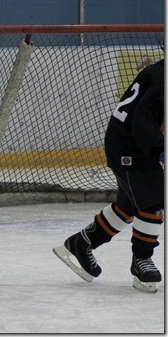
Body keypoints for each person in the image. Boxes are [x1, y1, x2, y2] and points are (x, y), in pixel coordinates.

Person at [53, 58, 164, 293]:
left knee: (130, 204)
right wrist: (159, 151)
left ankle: (81, 243)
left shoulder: (160, 72)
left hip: (128, 142)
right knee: (154, 201)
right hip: (129, 147)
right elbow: (142, 121)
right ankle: (141, 261)